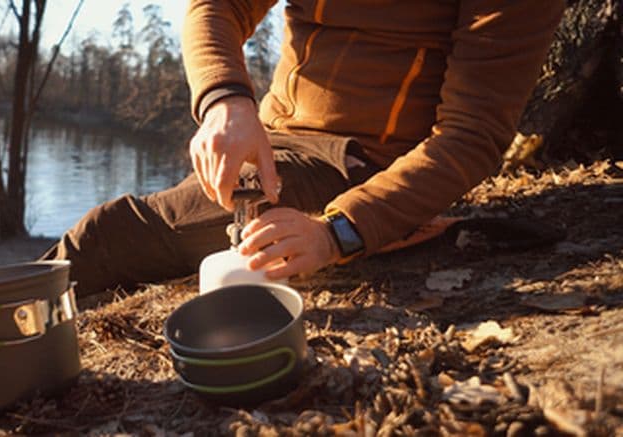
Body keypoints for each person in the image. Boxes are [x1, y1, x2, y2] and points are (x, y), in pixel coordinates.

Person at [39, 0, 565, 297]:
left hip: (359, 165)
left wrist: (339, 232)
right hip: (270, 136)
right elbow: (216, 8)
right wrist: (226, 99)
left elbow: (471, 137)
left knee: (111, 233)